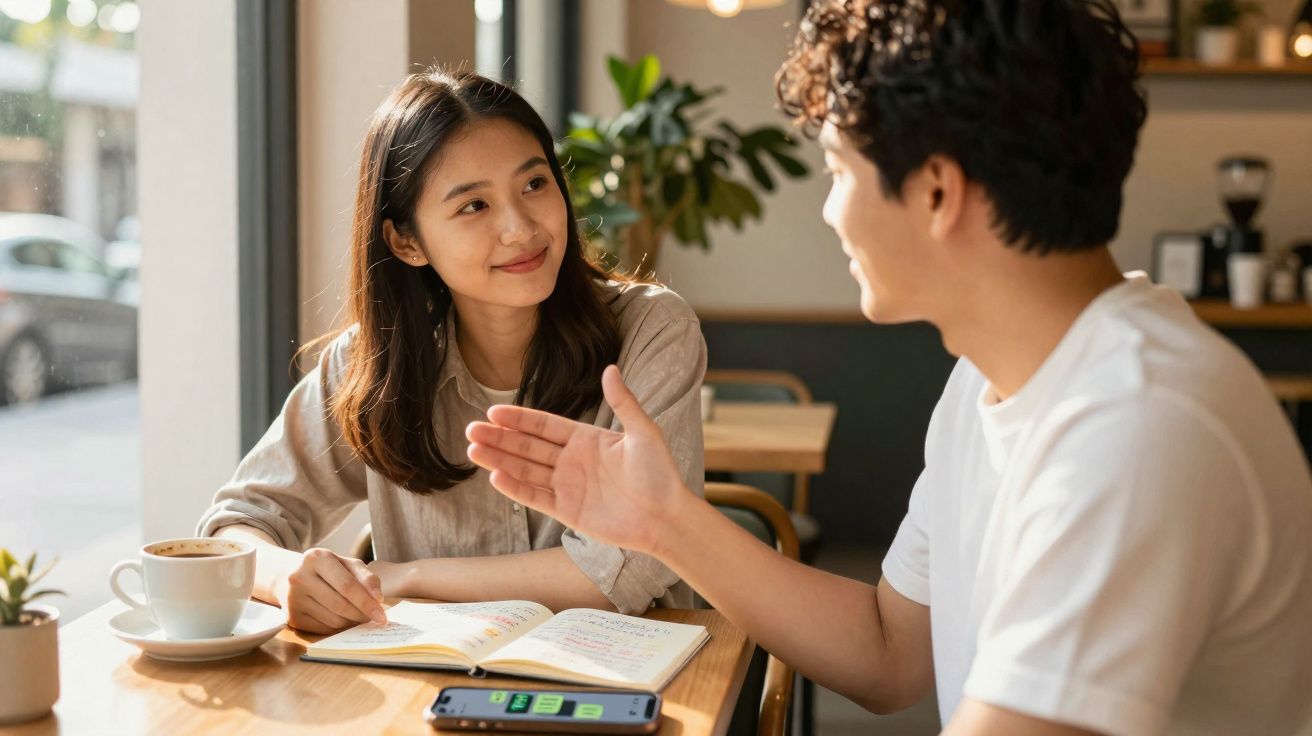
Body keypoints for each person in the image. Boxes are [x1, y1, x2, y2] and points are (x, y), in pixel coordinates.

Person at [464, 2, 1312, 734]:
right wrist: (663, 523)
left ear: (937, 191)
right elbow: (889, 650)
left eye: (838, 171)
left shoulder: (1137, 426)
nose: (832, 211)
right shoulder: (990, 379)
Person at [198, 70, 706, 634]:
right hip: (424, 696)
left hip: (634, 690)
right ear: (406, 241)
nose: (519, 228)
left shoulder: (652, 329)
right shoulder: (372, 366)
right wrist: (284, 578)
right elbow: (234, 526)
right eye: (473, 207)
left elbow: (618, 574)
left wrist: (404, 577)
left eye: (534, 184)